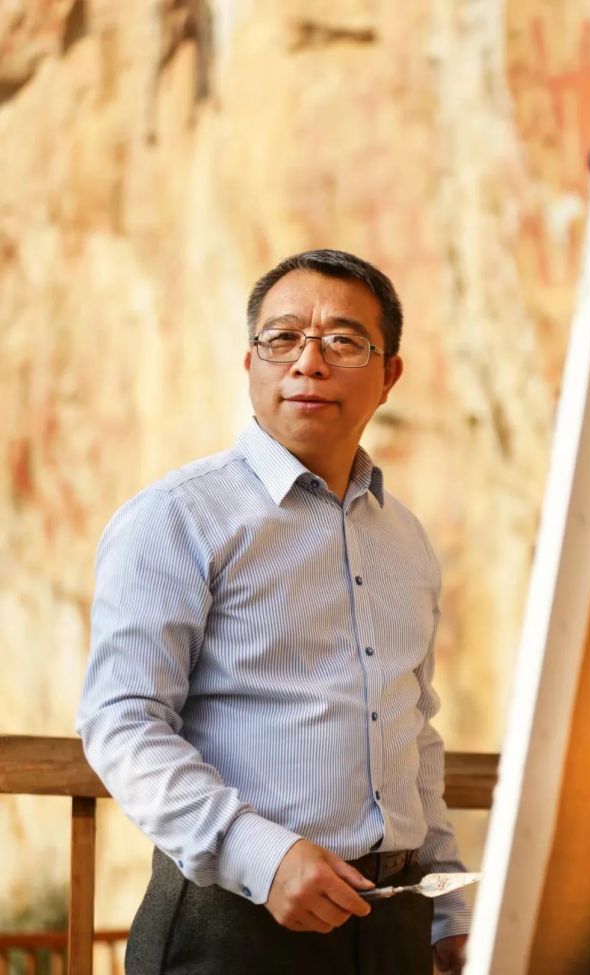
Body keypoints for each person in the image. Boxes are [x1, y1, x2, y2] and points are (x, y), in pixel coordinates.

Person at [77, 249, 471, 974]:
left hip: (394, 925)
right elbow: (122, 722)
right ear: (249, 362)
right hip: (234, 922)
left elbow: (413, 731)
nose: (308, 363)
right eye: (282, 338)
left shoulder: (405, 538)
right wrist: (262, 854)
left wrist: (449, 909)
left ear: (389, 375)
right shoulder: (177, 517)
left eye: (344, 341)